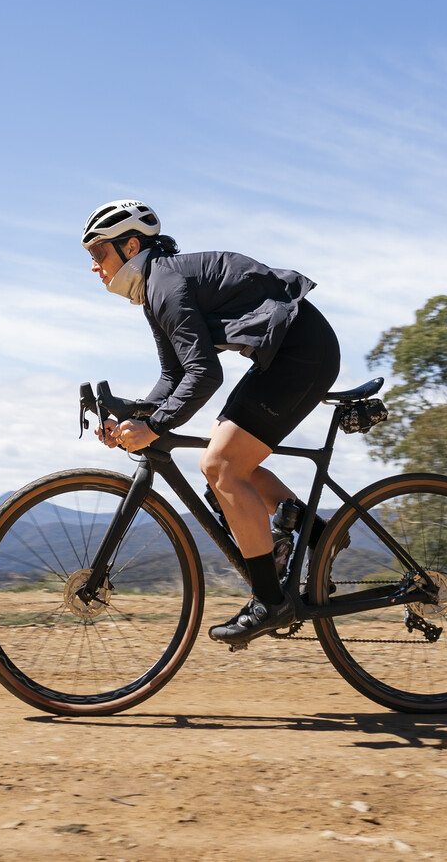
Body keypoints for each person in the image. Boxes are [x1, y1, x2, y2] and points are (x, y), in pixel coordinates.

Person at [81, 198, 342, 646]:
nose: (94, 267)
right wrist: (132, 417)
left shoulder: (164, 282)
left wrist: (156, 427)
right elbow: (174, 376)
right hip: (289, 354)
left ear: (129, 245)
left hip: (301, 354)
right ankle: (320, 536)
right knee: (224, 462)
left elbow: (204, 374)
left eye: (98, 253)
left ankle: (270, 602)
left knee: (221, 464)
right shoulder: (158, 289)